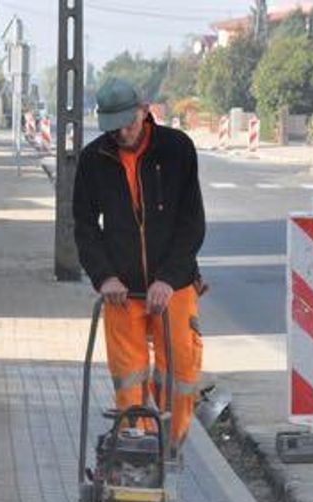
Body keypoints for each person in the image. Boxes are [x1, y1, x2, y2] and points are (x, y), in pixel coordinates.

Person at [73, 78, 206, 455]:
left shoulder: (176, 149)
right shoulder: (94, 159)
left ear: (144, 110)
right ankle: (138, 450)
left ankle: (171, 451)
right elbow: (84, 226)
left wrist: (168, 278)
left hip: (174, 285)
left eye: (128, 123)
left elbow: (191, 222)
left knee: (178, 372)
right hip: (122, 291)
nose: (122, 133)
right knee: (129, 375)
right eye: (113, 127)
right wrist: (104, 276)